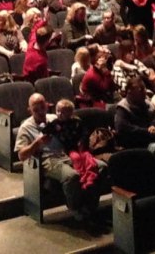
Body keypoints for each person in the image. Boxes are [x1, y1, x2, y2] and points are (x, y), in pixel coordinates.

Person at [15, 93, 106, 222]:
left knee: (101, 167)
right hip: (48, 159)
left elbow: (74, 125)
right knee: (72, 176)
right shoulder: (26, 128)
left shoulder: (54, 118)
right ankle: (76, 209)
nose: (41, 112)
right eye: (36, 109)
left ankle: (90, 206)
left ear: (47, 106)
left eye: (43, 107)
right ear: (29, 110)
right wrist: (37, 143)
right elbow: (21, 155)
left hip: (67, 154)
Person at [114, 76, 155, 148]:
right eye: (141, 90)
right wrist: (147, 131)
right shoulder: (122, 107)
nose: (144, 92)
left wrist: (154, 126)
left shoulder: (146, 102)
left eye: (144, 88)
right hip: (137, 144)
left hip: (153, 138)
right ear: (129, 91)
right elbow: (123, 129)